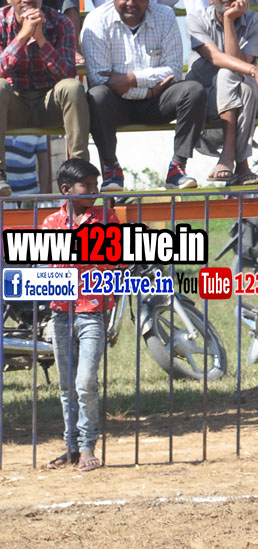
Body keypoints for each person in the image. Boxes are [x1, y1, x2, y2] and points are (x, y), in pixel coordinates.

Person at [81, 0, 206, 192]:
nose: (131, 3)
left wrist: (130, 79)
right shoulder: (96, 20)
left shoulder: (165, 15)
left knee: (193, 91)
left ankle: (177, 169)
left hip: (157, 103)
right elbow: (100, 79)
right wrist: (149, 88)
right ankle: (111, 170)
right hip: (117, 105)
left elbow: (173, 71)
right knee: (97, 96)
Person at [41, 158, 118, 474]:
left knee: (85, 381)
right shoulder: (51, 222)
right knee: (66, 386)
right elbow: (50, 264)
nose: (94, 191)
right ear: (66, 189)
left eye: (95, 184)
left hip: (92, 312)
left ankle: (87, 445)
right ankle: (72, 446)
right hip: (61, 312)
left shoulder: (105, 218)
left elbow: (113, 259)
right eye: (87, 185)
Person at [0, 0, 88, 196]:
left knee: (73, 87)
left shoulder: (61, 22)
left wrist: (40, 39)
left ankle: (80, 173)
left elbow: (67, 74)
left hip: (48, 105)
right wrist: (22, 36)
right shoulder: (0, 22)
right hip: (13, 106)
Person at [185, 0, 258, 186]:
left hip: (240, 99)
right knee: (234, 77)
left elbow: (236, 70)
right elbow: (217, 58)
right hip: (204, 101)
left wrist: (228, 21)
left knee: (245, 88)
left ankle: (230, 160)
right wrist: (255, 70)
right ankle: (241, 164)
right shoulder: (195, 20)